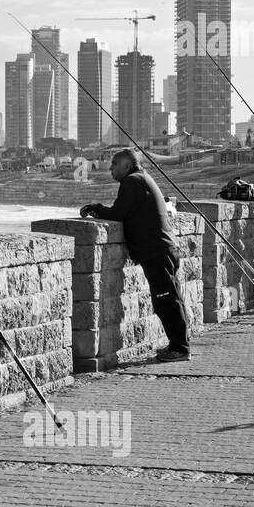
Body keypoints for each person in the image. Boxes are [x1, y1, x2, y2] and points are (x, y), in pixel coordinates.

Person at [80, 148, 190, 362]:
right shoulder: (142, 179)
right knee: (171, 299)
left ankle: (180, 349)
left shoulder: (132, 182)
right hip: (162, 250)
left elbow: (118, 213)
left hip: (156, 252)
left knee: (166, 302)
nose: (110, 168)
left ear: (127, 166)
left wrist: (95, 209)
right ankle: (180, 346)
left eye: (114, 164)